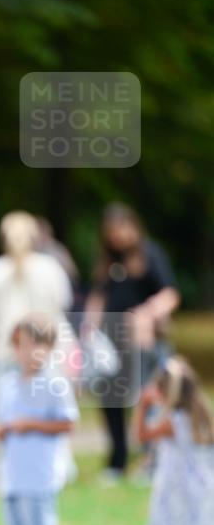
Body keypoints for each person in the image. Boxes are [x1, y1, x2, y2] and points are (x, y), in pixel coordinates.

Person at [0, 314, 79, 525]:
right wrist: (1, 430)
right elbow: (0, 422)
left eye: (40, 345)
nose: (32, 353)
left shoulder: (54, 383)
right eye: (26, 345)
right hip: (14, 471)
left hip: (41, 471)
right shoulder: (8, 383)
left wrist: (31, 424)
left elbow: (67, 422)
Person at [84, 203, 180, 481]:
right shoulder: (108, 260)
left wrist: (146, 314)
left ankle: (152, 459)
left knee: (149, 399)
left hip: (144, 341)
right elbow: (98, 295)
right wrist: (89, 327)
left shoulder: (151, 254)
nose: (117, 237)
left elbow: (170, 294)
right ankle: (117, 460)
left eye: (120, 229)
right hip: (111, 345)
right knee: (111, 400)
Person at [0, 211, 73, 410]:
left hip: (4, 353)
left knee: (8, 417)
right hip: (46, 354)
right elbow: (64, 305)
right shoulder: (51, 269)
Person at [133, 357, 214, 525]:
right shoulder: (202, 415)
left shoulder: (172, 421)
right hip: (201, 487)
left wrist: (143, 406)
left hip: (180, 489)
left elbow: (141, 436)